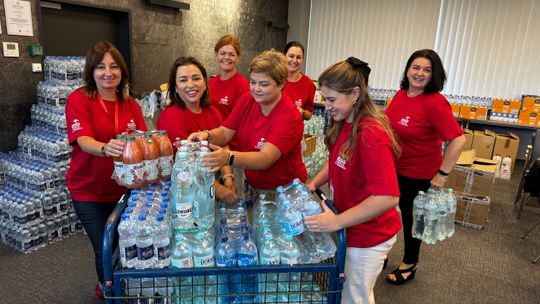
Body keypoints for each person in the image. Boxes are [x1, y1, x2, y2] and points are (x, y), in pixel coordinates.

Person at [303, 57, 401, 304]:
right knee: (358, 292)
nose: (326, 106)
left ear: (355, 93)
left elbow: (388, 197)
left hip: (368, 236)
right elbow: (336, 161)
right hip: (352, 227)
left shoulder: (370, 134)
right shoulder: (345, 123)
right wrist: (313, 183)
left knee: (352, 297)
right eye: (324, 98)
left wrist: (336, 221)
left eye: (331, 99)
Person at [65, 41, 147, 299]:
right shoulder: (79, 99)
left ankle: (119, 286)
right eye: (100, 67)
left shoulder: (130, 104)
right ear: (91, 71)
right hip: (88, 190)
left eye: (114, 66)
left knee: (125, 243)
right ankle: (109, 292)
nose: (108, 72)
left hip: (125, 189)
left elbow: (143, 139)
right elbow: (83, 140)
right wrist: (105, 148)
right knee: (104, 245)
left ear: (122, 71)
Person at [385, 49, 466, 285]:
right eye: (416, 67)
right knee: (385, 213)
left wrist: (442, 173)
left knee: (413, 221)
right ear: (408, 69)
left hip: (418, 175)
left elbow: (458, 139)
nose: (419, 73)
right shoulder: (401, 94)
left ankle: (410, 262)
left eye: (427, 70)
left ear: (434, 75)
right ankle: (383, 252)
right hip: (394, 169)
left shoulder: (435, 103)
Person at [188, 49, 307, 201]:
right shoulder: (248, 100)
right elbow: (225, 132)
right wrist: (206, 135)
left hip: (285, 190)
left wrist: (228, 157)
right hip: (256, 184)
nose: (256, 89)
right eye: (253, 82)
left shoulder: (289, 116)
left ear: (281, 84)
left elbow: (265, 158)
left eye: (263, 84)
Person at [156, 56, 238, 203]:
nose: (191, 85)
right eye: (183, 80)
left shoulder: (213, 111)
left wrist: (228, 177)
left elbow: (222, 145)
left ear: (205, 83)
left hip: (214, 183)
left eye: (196, 78)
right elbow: (186, 164)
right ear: (175, 87)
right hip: (188, 193)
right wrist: (218, 190)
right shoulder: (171, 116)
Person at [208, 34, 250, 122]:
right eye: (222, 53)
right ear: (216, 55)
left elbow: (242, 119)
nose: (226, 58)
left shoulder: (243, 85)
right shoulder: (210, 83)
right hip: (209, 134)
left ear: (238, 58)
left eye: (231, 54)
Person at [283, 41, 316, 120]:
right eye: (291, 56)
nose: (294, 61)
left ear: (302, 59)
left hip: (295, 130)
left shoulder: (308, 84)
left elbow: (309, 114)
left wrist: (302, 112)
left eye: (298, 57)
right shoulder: (275, 79)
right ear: (284, 56)